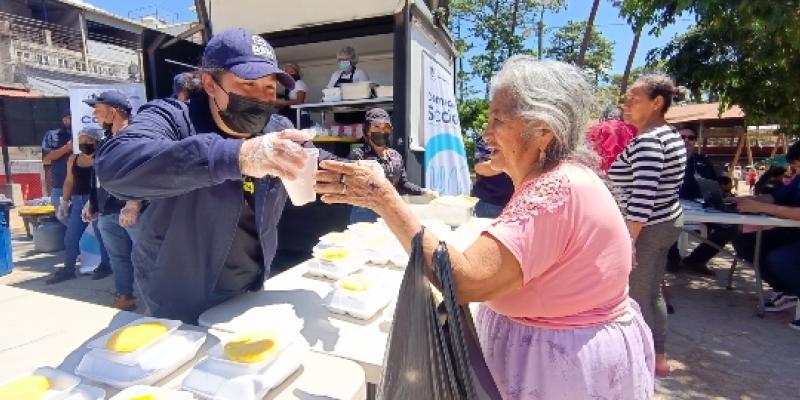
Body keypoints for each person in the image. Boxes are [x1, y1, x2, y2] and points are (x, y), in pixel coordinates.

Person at [317, 57, 655, 399]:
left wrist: (385, 202)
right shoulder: (560, 179)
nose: (486, 133)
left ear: (541, 130)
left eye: (498, 120)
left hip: (560, 376)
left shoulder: (556, 190)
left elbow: (463, 280)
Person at [95, 28, 313, 323]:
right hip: (179, 300)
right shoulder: (171, 118)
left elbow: (317, 164)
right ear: (210, 83)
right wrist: (238, 156)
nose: (261, 98)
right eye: (248, 85)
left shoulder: (276, 128)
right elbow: (115, 164)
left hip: (252, 290)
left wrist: (351, 173)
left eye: (270, 89)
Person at [608, 73, 687, 377]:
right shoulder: (668, 135)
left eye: (633, 98)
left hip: (648, 227)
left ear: (657, 103)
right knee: (650, 292)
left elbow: (642, 200)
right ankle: (657, 356)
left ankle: (645, 361)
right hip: (664, 220)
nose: (625, 103)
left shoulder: (650, 142)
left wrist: (627, 245)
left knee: (638, 296)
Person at [80, 90, 143, 311]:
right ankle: (125, 296)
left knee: (145, 259)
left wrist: (134, 203)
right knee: (118, 258)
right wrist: (92, 202)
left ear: (113, 112)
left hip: (132, 212)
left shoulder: (136, 136)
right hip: (108, 212)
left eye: (98, 109)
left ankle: (157, 302)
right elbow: (99, 177)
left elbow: (142, 172)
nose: (95, 114)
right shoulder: (106, 141)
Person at [732, 141, 800, 330]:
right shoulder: (798, 180)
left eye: (798, 166)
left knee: (781, 258)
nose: (796, 171)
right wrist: (750, 200)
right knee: (745, 242)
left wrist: (761, 207)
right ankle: (787, 291)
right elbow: (777, 197)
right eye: (795, 167)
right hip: (791, 232)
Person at [667, 127, 737, 276]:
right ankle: (672, 258)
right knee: (665, 219)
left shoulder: (703, 161)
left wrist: (721, 197)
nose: (686, 140)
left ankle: (696, 260)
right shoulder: (666, 161)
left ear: (695, 141)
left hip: (702, 205)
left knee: (730, 227)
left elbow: (714, 184)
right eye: (682, 137)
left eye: (690, 138)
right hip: (673, 205)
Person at [45, 127, 110, 284]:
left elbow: (104, 182)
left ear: (97, 141)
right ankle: (68, 269)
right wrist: (64, 202)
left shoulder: (102, 158)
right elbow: (69, 181)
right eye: (81, 140)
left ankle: (106, 266)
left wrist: (93, 201)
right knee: (71, 237)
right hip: (77, 200)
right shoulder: (73, 159)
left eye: (89, 141)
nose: (84, 143)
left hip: (95, 200)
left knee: (102, 236)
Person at [347, 108, 434, 223]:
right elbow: (355, 185)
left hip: (391, 211)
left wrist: (422, 191)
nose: (381, 131)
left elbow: (402, 183)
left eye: (385, 127)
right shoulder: (358, 155)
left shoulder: (395, 156)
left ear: (390, 130)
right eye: (376, 127)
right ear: (367, 130)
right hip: (364, 213)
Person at [471, 136, 513, 218]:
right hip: (490, 204)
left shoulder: (526, 139)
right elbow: (480, 168)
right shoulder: (488, 138)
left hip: (518, 203)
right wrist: (510, 162)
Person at [42, 111, 73, 208]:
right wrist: (67, 147)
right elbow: (46, 158)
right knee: (62, 217)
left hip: (83, 188)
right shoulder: (52, 135)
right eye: (68, 117)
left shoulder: (85, 134)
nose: (70, 120)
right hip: (60, 186)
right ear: (64, 119)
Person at [276, 63, 311, 129]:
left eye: (292, 72)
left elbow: (300, 101)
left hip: (300, 116)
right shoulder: (289, 86)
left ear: (297, 72)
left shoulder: (299, 83)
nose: (289, 74)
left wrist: (283, 102)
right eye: (286, 72)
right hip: (291, 116)